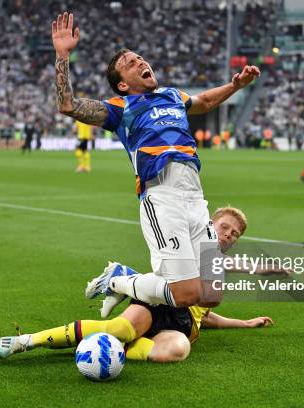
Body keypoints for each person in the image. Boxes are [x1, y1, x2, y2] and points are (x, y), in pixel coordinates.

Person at [52, 12, 260, 309]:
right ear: (122, 84)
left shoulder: (172, 96)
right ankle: (117, 279)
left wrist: (236, 85)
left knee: (211, 295)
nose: (141, 62)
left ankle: (133, 282)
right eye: (130, 63)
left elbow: (205, 102)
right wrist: (62, 55)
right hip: (163, 195)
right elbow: (67, 105)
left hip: (195, 195)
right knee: (187, 295)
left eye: (140, 58)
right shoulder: (120, 108)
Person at [0, 207, 276, 363]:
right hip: (161, 301)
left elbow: (205, 315)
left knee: (177, 350)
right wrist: (258, 268)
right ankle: (26, 341)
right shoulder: (197, 246)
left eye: (234, 234)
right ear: (210, 223)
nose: (228, 235)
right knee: (119, 329)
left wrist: (244, 323)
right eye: (224, 227)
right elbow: (221, 265)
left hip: (181, 323)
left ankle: (111, 343)